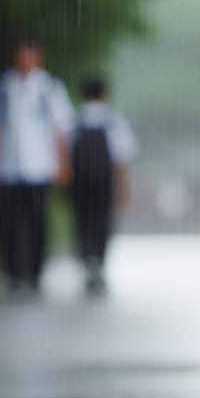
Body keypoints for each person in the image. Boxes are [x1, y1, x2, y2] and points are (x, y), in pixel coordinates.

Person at [0, 38, 74, 291]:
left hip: (40, 165)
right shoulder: (1, 87)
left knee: (38, 219)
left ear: (38, 57)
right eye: (22, 54)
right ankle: (12, 271)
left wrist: (63, 162)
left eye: (31, 54)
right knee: (7, 220)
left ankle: (35, 271)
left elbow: (60, 129)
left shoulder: (50, 88)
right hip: (6, 165)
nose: (26, 59)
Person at [70, 76, 137, 293]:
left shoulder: (75, 120)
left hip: (79, 183)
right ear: (104, 94)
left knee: (83, 222)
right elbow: (122, 158)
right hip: (104, 182)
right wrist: (123, 187)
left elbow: (64, 154)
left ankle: (86, 258)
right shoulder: (113, 121)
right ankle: (98, 261)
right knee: (102, 222)